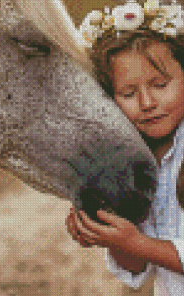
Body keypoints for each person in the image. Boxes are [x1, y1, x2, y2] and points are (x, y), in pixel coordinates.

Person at [66, 0, 184, 295]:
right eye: (129, 93)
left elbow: (144, 248)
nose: (147, 103)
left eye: (160, 85)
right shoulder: (134, 166)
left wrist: (139, 244)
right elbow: (138, 269)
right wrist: (112, 236)